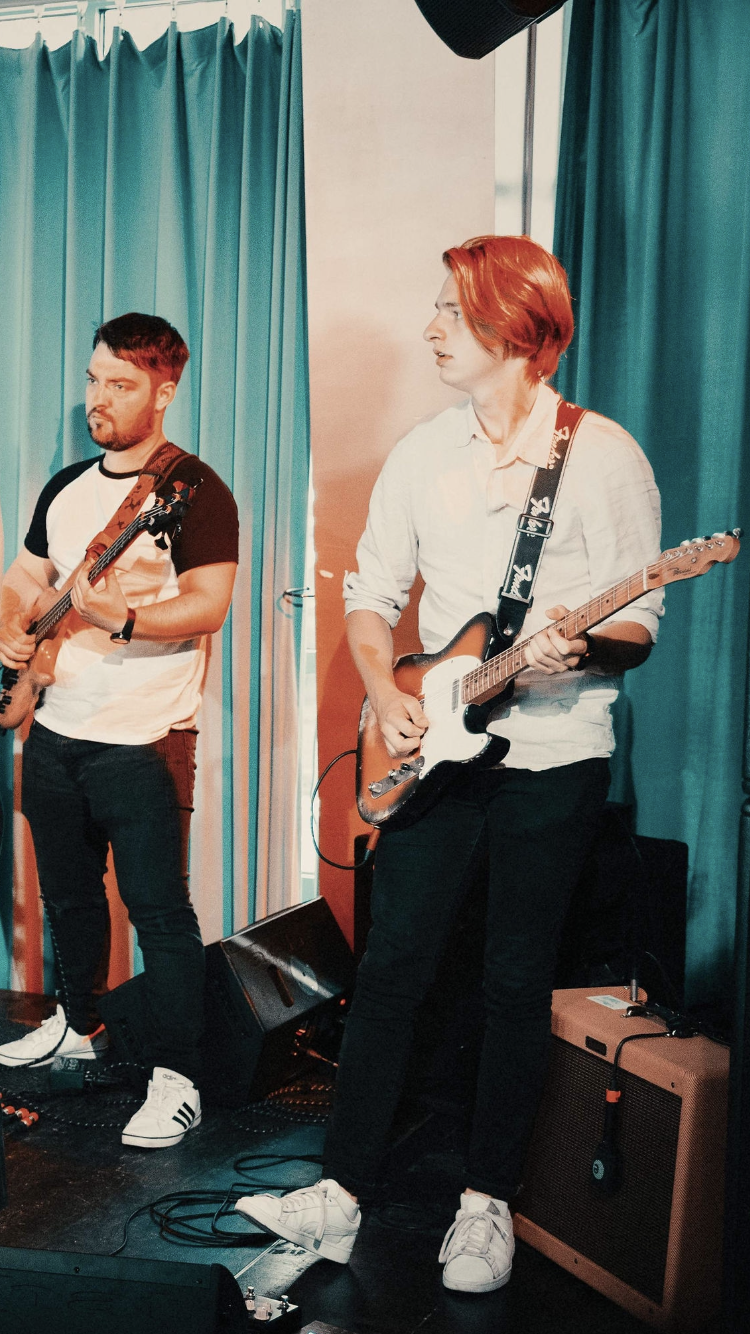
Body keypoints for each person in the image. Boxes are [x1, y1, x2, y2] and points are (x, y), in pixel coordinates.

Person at [236, 235, 663, 1290]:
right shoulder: (424, 452)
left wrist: (582, 647)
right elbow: (371, 595)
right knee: (389, 972)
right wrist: (387, 694)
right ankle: (339, 1191)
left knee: (514, 981)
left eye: (449, 311)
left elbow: (639, 621)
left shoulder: (601, 455)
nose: (429, 327)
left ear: (512, 326)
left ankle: (487, 1204)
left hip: (554, 756)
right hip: (436, 752)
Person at [0, 313, 238, 1150]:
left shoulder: (195, 490)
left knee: (158, 913)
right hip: (56, 730)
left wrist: (124, 618)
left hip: (145, 739)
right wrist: (12, 629)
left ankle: (178, 1078)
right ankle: (79, 1024)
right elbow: (25, 575)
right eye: (94, 379)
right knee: (67, 898)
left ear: (164, 393)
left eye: (121, 385)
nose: (98, 398)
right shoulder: (67, 485)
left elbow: (209, 605)